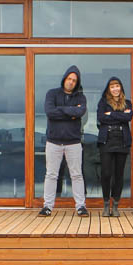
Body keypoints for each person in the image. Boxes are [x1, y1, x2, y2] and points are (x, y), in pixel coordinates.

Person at [39, 65, 88, 217]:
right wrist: (70, 112)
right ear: (64, 78)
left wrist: (61, 110)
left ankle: (80, 206)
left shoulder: (81, 97)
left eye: (74, 80)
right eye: (69, 79)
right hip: (53, 142)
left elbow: (80, 111)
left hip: (73, 142)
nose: (71, 82)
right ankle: (47, 206)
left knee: (77, 175)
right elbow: (50, 112)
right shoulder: (52, 94)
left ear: (77, 82)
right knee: (51, 175)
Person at [96, 76, 132, 217]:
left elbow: (128, 117)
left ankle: (115, 205)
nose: (115, 89)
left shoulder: (127, 103)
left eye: (117, 86)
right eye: (112, 87)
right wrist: (120, 115)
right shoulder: (103, 103)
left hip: (122, 141)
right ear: (109, 89)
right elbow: (101, 117)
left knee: (119, 175)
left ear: (121, 87)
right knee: (106, 173)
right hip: (107, 140)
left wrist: (111, 114)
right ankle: (106, 204)